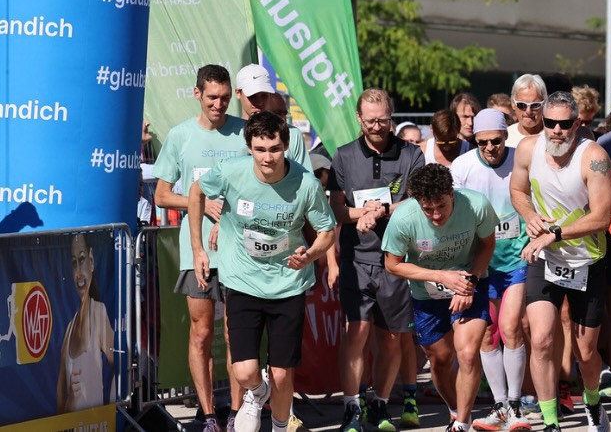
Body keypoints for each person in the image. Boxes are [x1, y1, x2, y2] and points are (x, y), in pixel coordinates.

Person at [188, 111, 335, 432]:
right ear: (249, 147)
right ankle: (257, 393)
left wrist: (308, 255)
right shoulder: (231, 172)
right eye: (260, 149)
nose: (268, 157)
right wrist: (198, 248)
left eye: (275, 149)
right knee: (243, 372)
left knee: (282, 374)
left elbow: (327, 232)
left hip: (288, 285)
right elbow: (197, 192)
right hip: (242, 281)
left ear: (286, 146)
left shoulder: (306, 184)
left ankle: (280, 426)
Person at [510, 91, 611, 432]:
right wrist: (528, 216)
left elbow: (601, 217)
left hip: (587, 260)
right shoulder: (528, 149)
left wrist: (554, 231)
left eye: (564, 124)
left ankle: (594, 402)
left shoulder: (594, 157)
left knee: (585, 353)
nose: (556, 130)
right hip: (545, 257)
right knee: (540, 339)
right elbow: (518, 190)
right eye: (549, 122)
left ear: (578, 123)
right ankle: (551, 422)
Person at [152, 65, 247, 432]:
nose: (219, 105)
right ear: (197, 95)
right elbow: (161, 194)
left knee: (236, 335)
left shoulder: (243, 134)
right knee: (202, 332)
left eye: (224, 98)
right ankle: (209, 415)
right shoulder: (180, 136)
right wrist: (201, 204)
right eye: (212, 98)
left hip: (239, 251)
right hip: (198, 253)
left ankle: (239, 414)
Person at [328, 89, 425, 432]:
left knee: (390, 337)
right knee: (356, 332)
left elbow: (416, 202)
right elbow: (336, 209)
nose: (377, 126)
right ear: (359, 118)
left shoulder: (412, 154)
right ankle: (351, 406)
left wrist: (382, 211)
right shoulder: (343, 156)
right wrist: (360, 215)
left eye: (383, 119)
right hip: (357, 259)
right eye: (370, 120)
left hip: (396, 259)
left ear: (391, 116)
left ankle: (380, 404)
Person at [381, 164, 498, 432]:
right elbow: (392, 265)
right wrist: (442, 277)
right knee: (440, 359)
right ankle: (456, 410)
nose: (435, 215)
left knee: (467, 354)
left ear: (452, 194)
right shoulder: (404, 218)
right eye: (428, 209)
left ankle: (462, 425)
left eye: (441, 207)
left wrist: (471, 280)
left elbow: (488, 244)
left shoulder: (476, 205)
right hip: (427, 292)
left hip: (470, 281)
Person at [450, 109, 533, 432]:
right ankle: (499, 406)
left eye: (496, 141)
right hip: (480, 262)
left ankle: (514, 403)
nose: (490, 148)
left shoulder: (520, 160)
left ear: (505, 137)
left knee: (511, 326)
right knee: (486, 333)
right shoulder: (463, 166)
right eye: (482, 142)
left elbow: (535, 199)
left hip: (516, 258)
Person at [58, 234, 115, 413]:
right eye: (74, 263)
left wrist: (111, 410)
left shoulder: (98, 312)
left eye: (81, 260)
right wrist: (71, 402)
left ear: (91, 260)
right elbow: (59, 408)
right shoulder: (69, 329)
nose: (78, 274)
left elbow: (120, 366)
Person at [235, 64, 310, 167]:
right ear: (238, 93)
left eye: (264, 96)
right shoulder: (229, 132)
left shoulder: (293, 135)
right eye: (252, 96)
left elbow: (306, 180)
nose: (259, 102)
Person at [507, 74, 548, 147]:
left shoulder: (553, 136)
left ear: (544, 104)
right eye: (522, 105)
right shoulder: (505, 137)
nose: (528, 111)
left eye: (535, 105)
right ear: (513, 104)